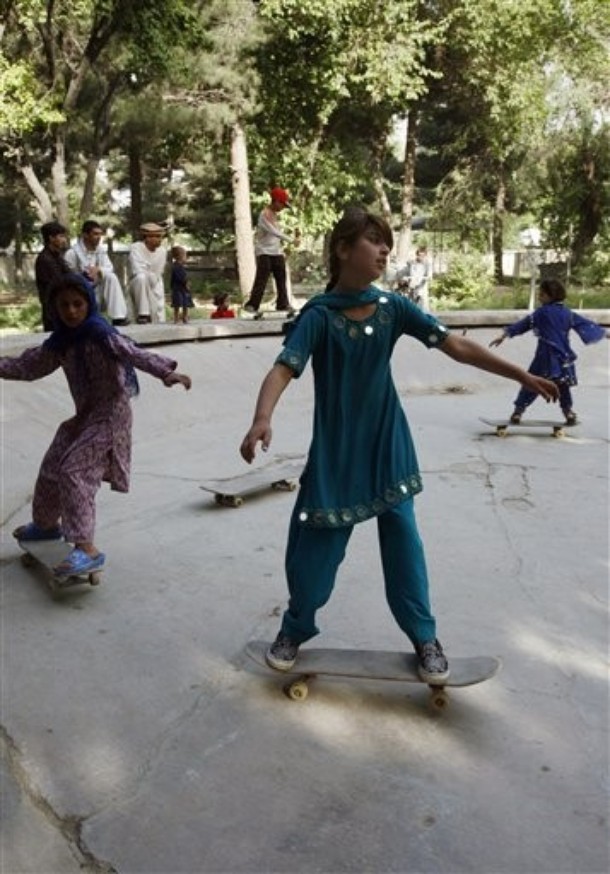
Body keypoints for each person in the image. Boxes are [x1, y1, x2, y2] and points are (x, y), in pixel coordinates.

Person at [240, 208, 558, 683]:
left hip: (389, 447)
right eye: (374, 240)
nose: (385, 249)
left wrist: (520, 374)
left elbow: (456, 346)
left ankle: (425, 638)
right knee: (315, 554)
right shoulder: (319, 316)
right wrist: (262, 418)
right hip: (337, 456)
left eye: (386, 241)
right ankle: (294, 628)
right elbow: (283, 369)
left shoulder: (393, 308)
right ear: (343, 249)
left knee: (404, 547)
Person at [1, 273, 191, 577]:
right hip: (85, 416)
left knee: (75, 471)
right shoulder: (60, 343)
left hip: (111, 416)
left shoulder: (102, 335)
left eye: (78, 304)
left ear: (89, 303)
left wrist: (166, 373)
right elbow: (28, 366)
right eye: (64, 305)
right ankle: (46, 526)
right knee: (52, 466)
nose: (71, 311)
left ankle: (86, 548)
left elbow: (133, 352)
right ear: (54, 309)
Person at [490, 278, 608, 425]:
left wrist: (504, 335)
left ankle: (518, 412)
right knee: (563, 386)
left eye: (542, 294)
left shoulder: (540, 313)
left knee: (531, 382)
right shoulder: (568, 314)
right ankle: (568, 413)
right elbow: (586, 324)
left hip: (543, 357)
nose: (539, 297)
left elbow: (522, 325)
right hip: (562, 358)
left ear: (551, 295)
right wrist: (605, 333)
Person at [65, 220, 130, 326]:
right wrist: (84, 276)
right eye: (95, 234)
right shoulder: (72, 253)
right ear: (85, 235)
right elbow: (68, 277)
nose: (99, 237)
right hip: (80, 290)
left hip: (98, 288)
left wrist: (98, 269)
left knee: (111, 277)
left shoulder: (100, 250)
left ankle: (118, 317)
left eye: (100, 234)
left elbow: (109, 268)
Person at [243, 187, 295, 315]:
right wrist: (291, 240)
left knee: (281, 277)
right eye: (282, 204)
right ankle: (252, 304)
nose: (282, 208)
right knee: (262, 278)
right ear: (275, 201)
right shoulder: (264, 215)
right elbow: (274, 232)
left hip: (276, 251)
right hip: (264, 252)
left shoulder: (274, 215)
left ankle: (282, 303)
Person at [127, 223, 168, 324]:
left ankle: (152, 315)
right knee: (141, 278)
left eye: (160, 236)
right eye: (157, 236)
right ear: (147, 238)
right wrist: (148, 273)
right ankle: (143, 314)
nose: (160, 239)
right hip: (137, 284)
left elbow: (157, 273)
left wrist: (148, 273)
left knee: (147, 279)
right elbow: (137, 270)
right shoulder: (136, 248)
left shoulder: (162, 251)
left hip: (155, 284)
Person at [35, 221, 70, 331]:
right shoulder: (45, 260)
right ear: (51, 238)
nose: (64, 240)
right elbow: (59, 283)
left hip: (61, 308)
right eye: (61, 236)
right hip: (53, 312)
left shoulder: (57, 257)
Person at [170, 245, 194, 324]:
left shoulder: (181, 266)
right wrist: (186, 282)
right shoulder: (176, 266)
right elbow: (179, 277)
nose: (186, 257)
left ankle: (184, 317)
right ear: (180, 256)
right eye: (185, 255)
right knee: (177, 303)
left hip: (183, 288)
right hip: (178, 288)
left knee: (185, 303)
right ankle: (176, 317)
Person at [407, 246, 432, 310]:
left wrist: (421, 278)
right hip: (413, 286)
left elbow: (429, 276)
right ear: (417, 255)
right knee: (412, 304)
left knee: (422, 304)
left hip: (422, 287)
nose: (421, 257)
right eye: (419, 255)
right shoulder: (412, 263)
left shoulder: (427, 264)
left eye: (423, 255)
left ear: (425, 256)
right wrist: (410, 279)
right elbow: (409, 273)